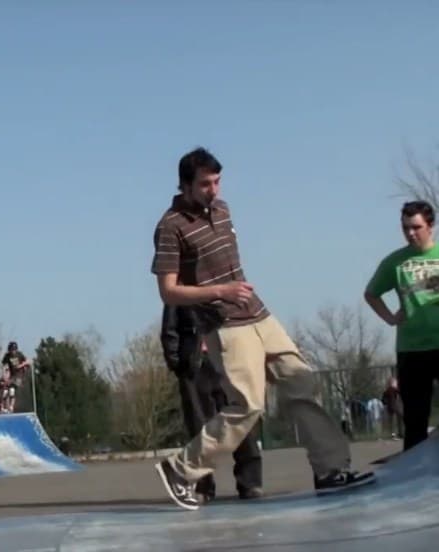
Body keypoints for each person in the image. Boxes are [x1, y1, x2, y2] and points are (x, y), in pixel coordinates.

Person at [150, 146, 374, 510]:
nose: (213, 190)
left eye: (217, 182)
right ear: (185, 185)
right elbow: (168, 291)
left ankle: (331, 469)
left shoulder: (223, 210)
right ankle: (180, 469)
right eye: (205, 184)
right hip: (224, 325)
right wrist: (220, 291)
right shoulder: (170, 226)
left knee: (302, 383)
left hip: (259, 315)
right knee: (248, 405)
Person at [160, 303, 263, 502]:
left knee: (241, 420)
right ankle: (204, 486)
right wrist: (178, 364)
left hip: (229, 360)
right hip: (195, 364)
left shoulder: (227, 291)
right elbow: (169, 330)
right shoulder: (179, 293)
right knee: (198, 426)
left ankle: (251, 482)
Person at [364, 200, 439, 451]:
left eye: (416, 227)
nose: (410, 233)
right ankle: (414, 472)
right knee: (415, 420)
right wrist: (389, 318)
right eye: (406, 228)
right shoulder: (395, 262)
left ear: (430, 226)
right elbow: (371, 294)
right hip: (412, 349)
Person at [0, 341, 30, 413]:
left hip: (19, 376)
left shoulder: (19, 354)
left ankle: (11, 407)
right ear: (9, 350)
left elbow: (28, 361)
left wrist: (21, 365)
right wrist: (4, 376)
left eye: (14, 350)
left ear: (16, 349)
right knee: (6, 391)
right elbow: (4, 366)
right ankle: (5, 408)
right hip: (12, 376)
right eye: (11, 350)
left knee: (12, 389)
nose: (13, 352)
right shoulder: (7, 356)